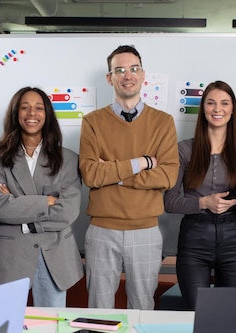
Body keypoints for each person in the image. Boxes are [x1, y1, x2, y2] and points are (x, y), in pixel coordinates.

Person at [79, 45, 179, 310]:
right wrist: (142, 163)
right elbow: (90, 174)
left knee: (142, 308)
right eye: (119, 70)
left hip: (145, 230)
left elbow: (168, 175)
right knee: (98, 308)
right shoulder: (92, 122)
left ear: (143, 75)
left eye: (133, 69)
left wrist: (115, 174)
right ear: (109, 78)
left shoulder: (163, 122)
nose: (128, 75)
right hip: (102, 229)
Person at [164, 81, 236, 309]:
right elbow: (170, 201)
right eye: (211, 103)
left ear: (232, 110)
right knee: (197, 312)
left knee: (229, 314)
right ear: (203, 109)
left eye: (224, 103)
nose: (217, 109)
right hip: (194, 239)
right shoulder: (183, 149)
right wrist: (204, 202)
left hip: (234, 240)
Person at [0, 87, 83, 307]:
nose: (32, 113)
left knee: (50, 327)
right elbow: (0, 207)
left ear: (47, 114)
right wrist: (46, 201)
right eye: (25, 107)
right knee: (7, 327)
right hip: (11, 254)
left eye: (39, 108)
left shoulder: (68, 159)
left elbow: (68, 212)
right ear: (15, 113)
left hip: (55, 255)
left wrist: (20, 208)